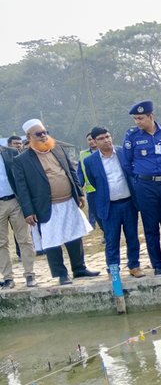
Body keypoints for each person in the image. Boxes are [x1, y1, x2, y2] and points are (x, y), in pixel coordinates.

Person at [14, 119, 99, 285]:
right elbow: (22, 189)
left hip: (68, 201)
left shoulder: (57, 149)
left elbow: (70, 171)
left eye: (45, 132)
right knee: (52, 240)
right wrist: (28, 211)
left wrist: (79, 193)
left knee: (74, 235)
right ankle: (61, 274)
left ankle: (79, 269)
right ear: (29, 136)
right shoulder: (22, 160)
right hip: (46, 206)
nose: (44, 136)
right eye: (39, 134)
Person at [122, 100, 161, 275]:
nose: (137, 122)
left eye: (140, 118)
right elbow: (126, 163)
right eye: (135, 119)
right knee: (151, 227)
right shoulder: (132, 136)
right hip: (145, 186)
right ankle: (158, 266)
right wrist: (141, 176)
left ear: (151, 116)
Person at [83, 127, 143, 278]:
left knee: (132, 236)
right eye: (102, 138)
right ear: (95, 142)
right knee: (112, 240)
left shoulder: (123, 153)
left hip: (129, 203)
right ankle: (113, 270)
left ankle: (134, 266)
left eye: (108, 136)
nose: (106, 140)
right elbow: (93, 181)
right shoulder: (90, 161)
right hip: (109, 206)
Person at [0, 143, 36, 289]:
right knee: (1, 243)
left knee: (25, 240)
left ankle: (30, 275)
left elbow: (23, 178)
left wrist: (28, 205)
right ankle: (8, 278)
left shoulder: (11, 152)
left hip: (15, 201)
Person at [77, 131, 103, 232]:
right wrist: (79, 187)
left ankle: (108, 233)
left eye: (93, 139)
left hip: (104, 188)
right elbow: (80, 172)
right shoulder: (83, 155)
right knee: (95, 212)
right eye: (89, 140)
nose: (91, 141)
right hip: (91, 189)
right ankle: (103, 229)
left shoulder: (104, 151)